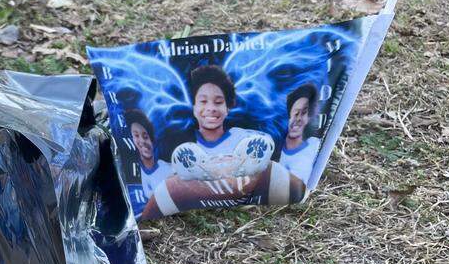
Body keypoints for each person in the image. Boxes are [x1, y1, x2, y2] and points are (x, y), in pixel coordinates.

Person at [140, 64, 299, 219]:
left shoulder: (246, 140)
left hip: (244, 198)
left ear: (228, 106)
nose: (211, 108)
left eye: (218, 102)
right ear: (193, 107)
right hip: (191, 205)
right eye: (203, 101)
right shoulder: (180, 148)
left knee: (270, 170)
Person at [277, 84, 321, 186]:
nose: (298, 119)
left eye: (303, 112)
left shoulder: (315, 146)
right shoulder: (271, 150)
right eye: (295, 113)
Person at [125, 108, 170, 204]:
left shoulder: (169, 169)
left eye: (145, 136)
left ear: (153, 139)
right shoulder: (131, 174)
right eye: (136, 136)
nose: (142, 141)